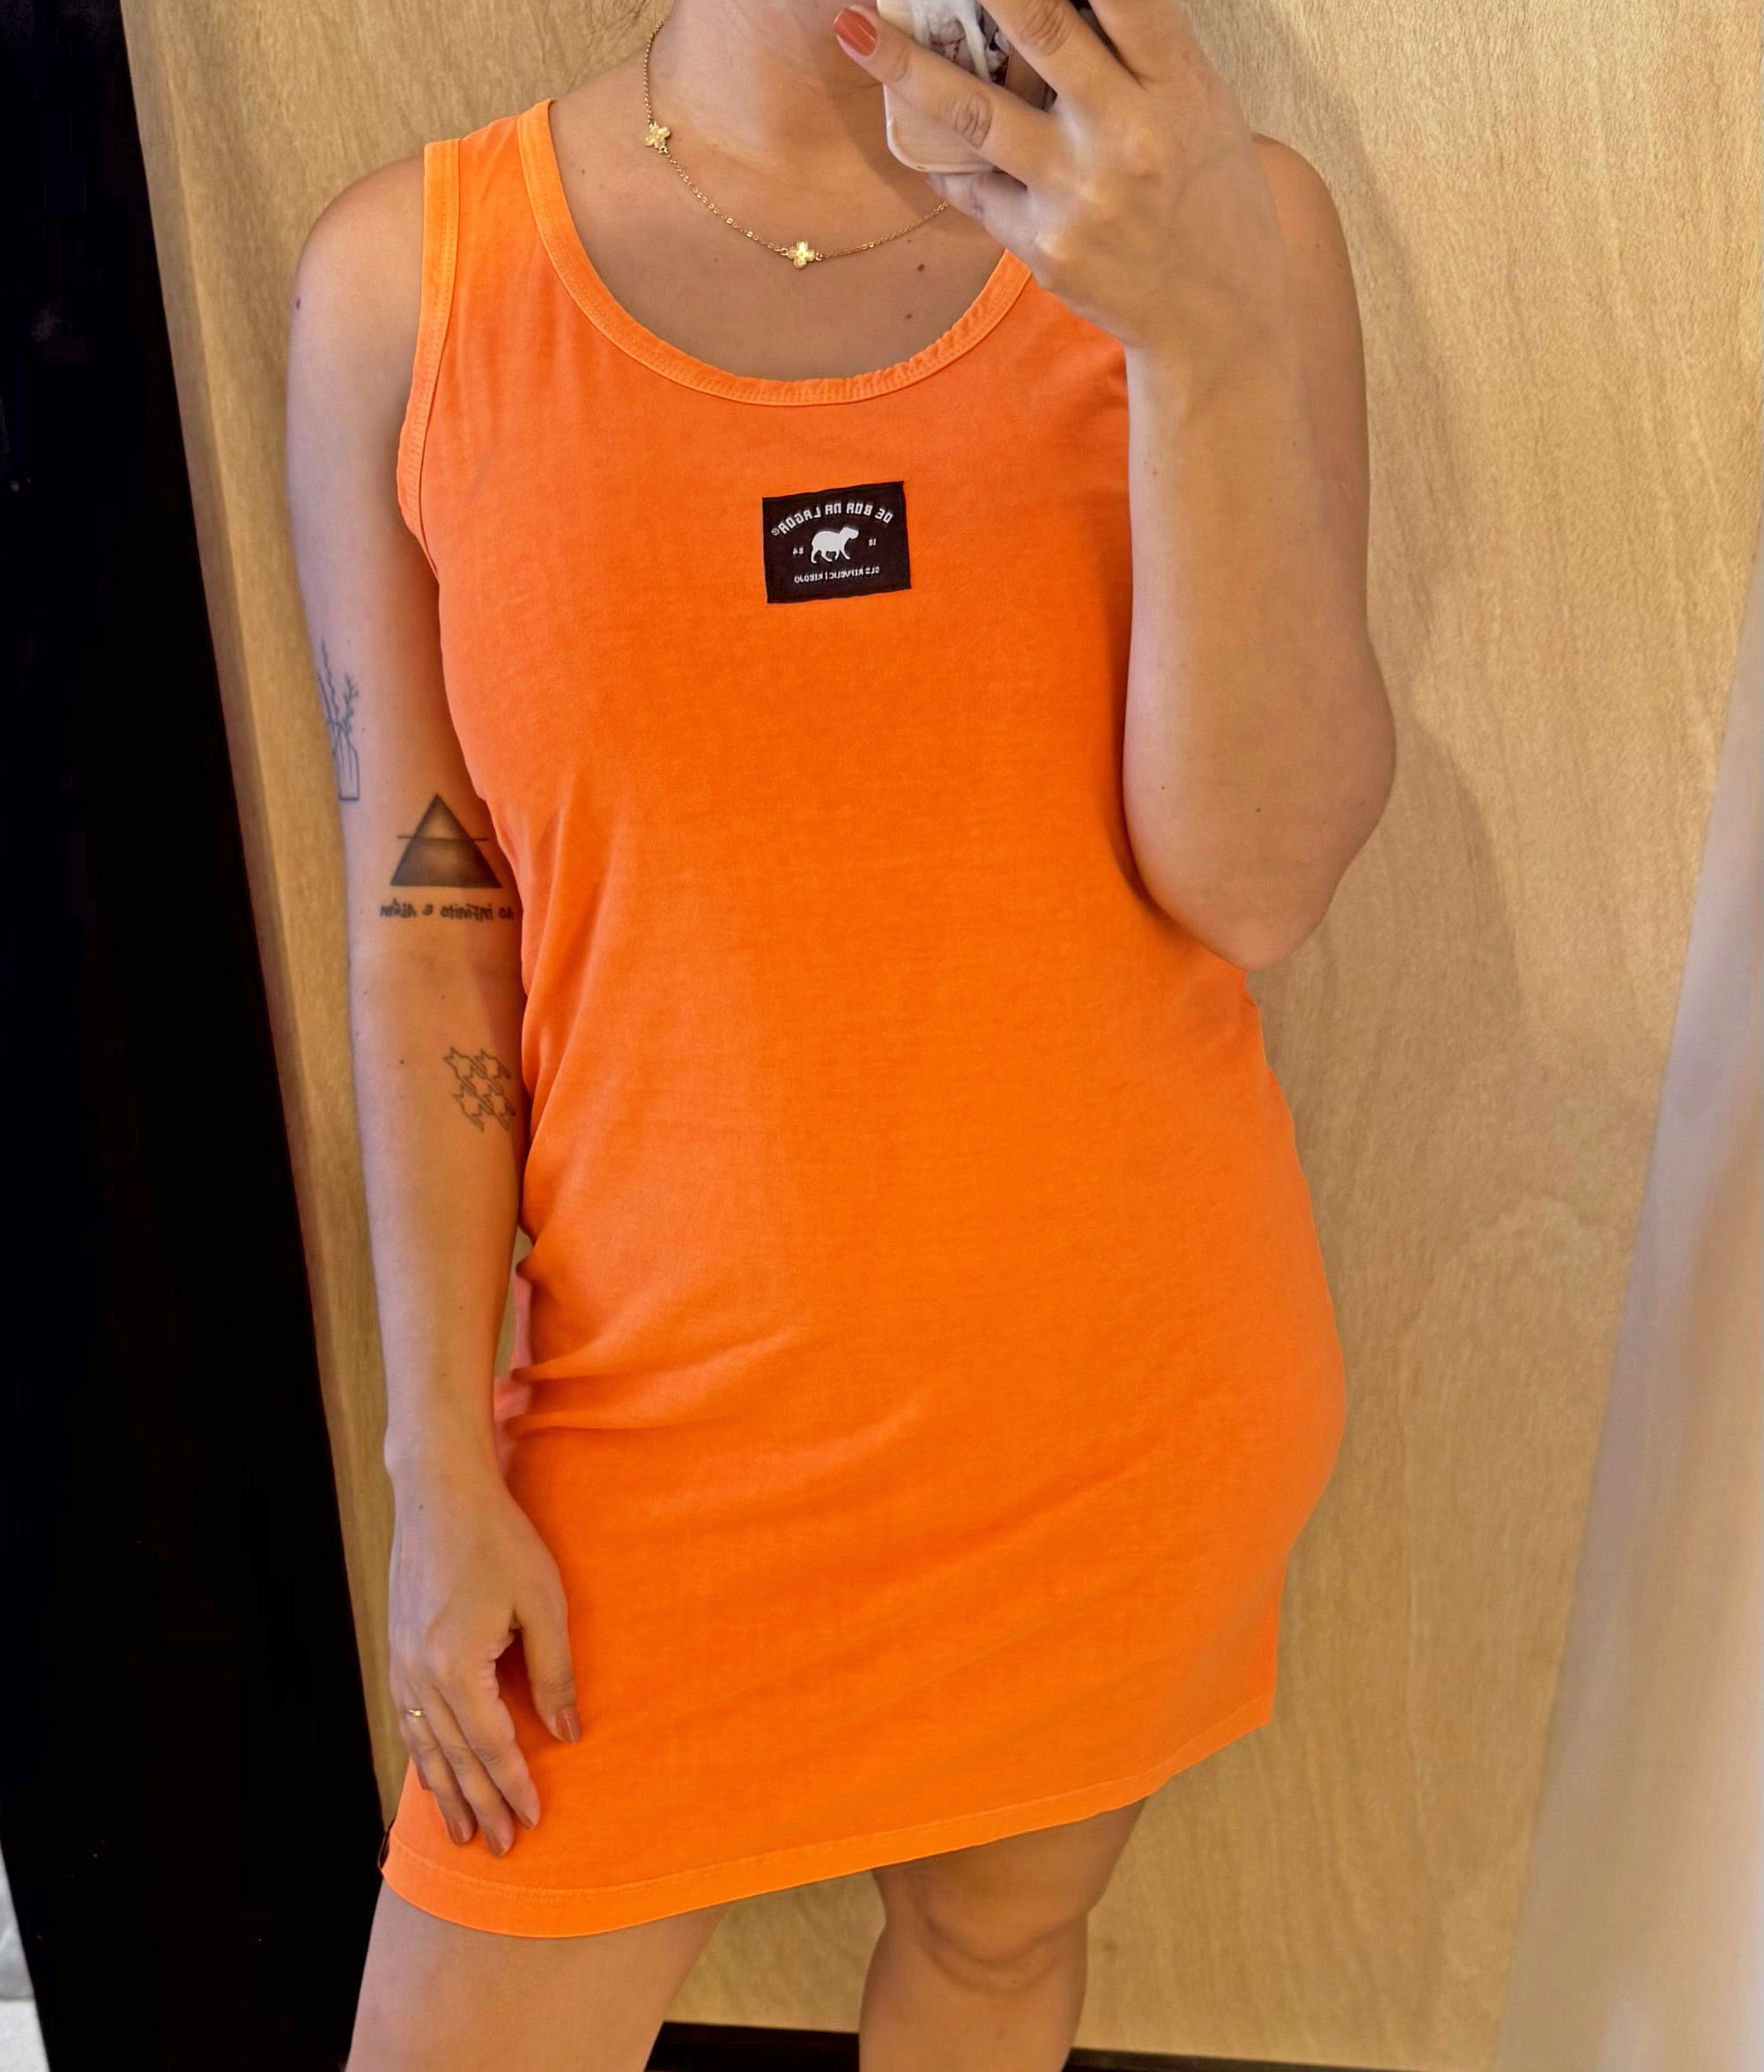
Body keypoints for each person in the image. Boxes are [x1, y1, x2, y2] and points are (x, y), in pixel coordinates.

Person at [284, 2, 1392, 2065]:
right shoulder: (409, 289)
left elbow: (1253, 884)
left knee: (995, 1951)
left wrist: (1196, 330)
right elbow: (431, 931)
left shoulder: (1226, 226)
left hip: (1111, 1407)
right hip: (644, 1435)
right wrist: (436, 1469)